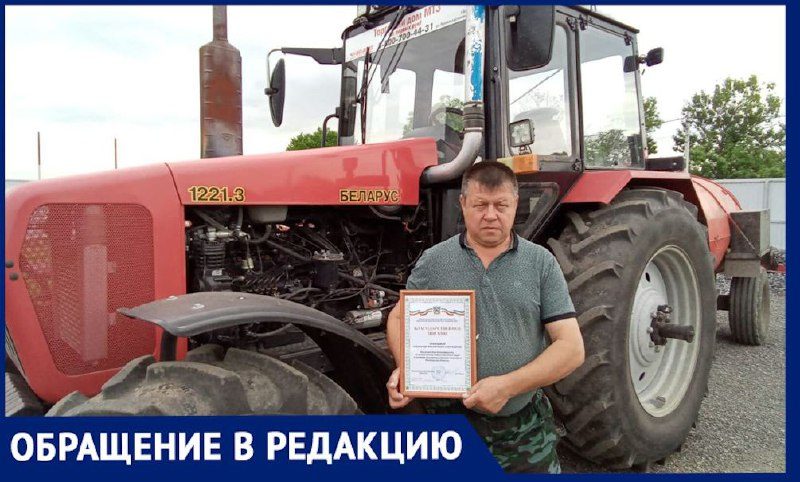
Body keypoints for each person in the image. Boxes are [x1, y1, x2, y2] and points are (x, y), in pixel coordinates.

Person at [385, 161, 585, 473]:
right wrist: (406, 368)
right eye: (480, 205)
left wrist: (507, 386)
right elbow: (400, 318)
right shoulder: (435, 261)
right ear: (463, 204)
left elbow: (571, 348)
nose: (490, 215)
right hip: (449, 425)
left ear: (515, 204)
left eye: (501, 205)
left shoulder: (540, 263)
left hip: (522, 432)